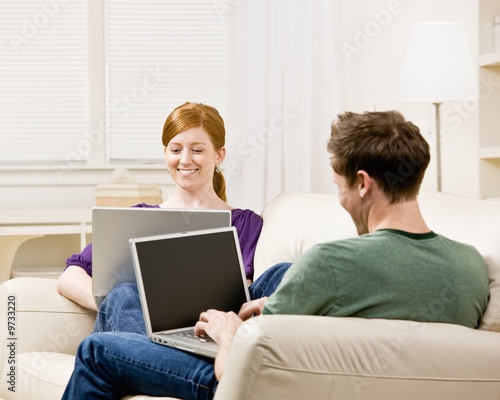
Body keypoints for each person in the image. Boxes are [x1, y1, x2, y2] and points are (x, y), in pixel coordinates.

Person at [61, 110, 490, 400]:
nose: (338, 197)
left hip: (264, 382)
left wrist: (230, 331)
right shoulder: (471, 266)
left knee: (98, 349)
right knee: (280, 273)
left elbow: (242, 369)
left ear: (362, 184)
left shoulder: (332, 263)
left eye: (338, 185)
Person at [57, 102, 264, 311]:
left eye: (197, 150)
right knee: (123, 293)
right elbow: (70, 275)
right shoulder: (136, 219)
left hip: (197, 332)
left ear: (219, 155)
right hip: (131, 331)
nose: (185, 160)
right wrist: (116, 304)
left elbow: (243, 297)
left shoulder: (244, 225)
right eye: (176, 150)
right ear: (166, 154)